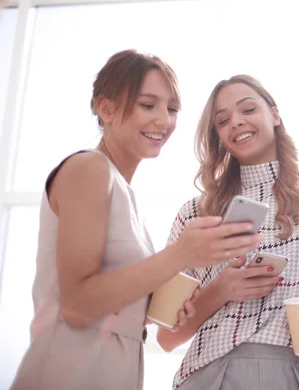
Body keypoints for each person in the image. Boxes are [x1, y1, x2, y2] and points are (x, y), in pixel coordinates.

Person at [10, 50, 262, 390]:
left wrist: (160, 307)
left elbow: (110, 303)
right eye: (148, 105)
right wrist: (182, 254)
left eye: (172, 109)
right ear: (107, 108)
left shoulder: (126, 196)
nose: (164, 120)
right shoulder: (89, 169)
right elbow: (77, 307)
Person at [156, 74, 299, 390]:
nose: (236, 122)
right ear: (218, 136)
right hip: (213, 376)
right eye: (222, 121)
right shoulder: (194, 215)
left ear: (274, 115)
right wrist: (221, 290)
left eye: (248, 109)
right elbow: (167, 336)